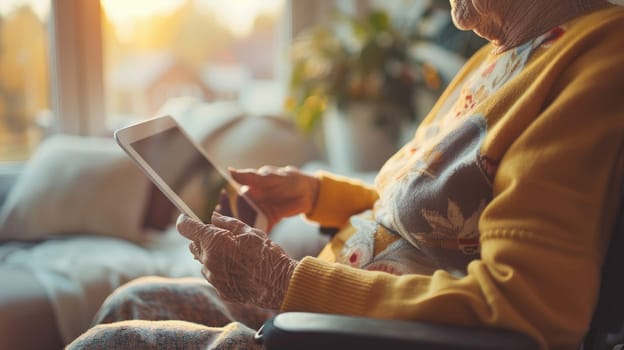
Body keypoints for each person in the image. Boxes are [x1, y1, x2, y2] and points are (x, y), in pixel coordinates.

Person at [68, 1, 624, 349]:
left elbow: (524, 314)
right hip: (323, 306)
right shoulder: (495, 55)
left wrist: (285, 285)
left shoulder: (597, 61)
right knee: (135, 300)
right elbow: (426, 212)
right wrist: (317, 194)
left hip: (352, 334)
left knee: (113, 341)